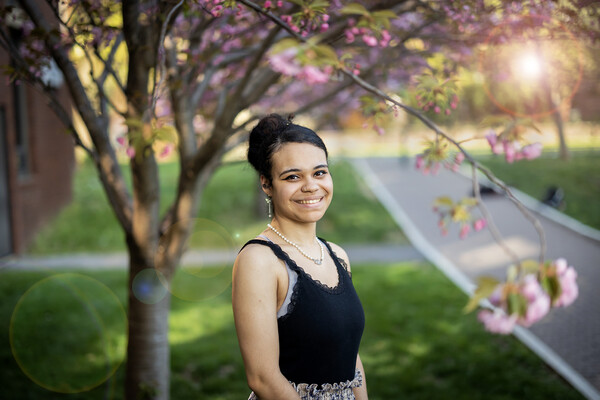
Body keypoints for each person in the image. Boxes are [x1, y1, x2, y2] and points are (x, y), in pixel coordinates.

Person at [232, 113, 368, 400]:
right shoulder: (260, 260)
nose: (310, 186)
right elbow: (262, 377)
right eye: (292, 176)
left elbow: (349, 355)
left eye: (319, 172)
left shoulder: (337, 256)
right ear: (267, 184)